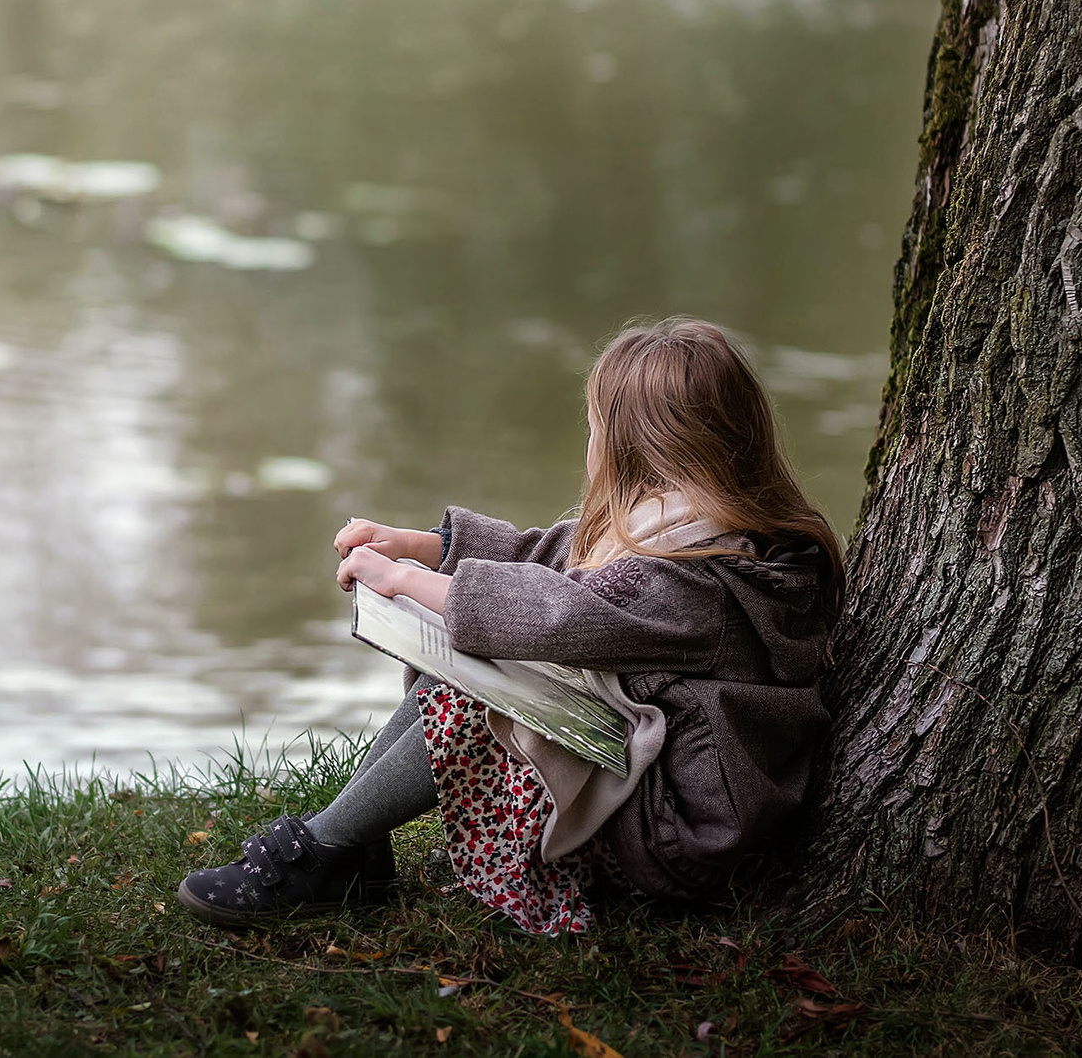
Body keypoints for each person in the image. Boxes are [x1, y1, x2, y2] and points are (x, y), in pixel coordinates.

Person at [175, 316, 846, 935]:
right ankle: (350, 840)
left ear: (632, 448)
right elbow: (555, 562)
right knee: (473, 654)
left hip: (681, 834)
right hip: (685, 800)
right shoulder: (716, 533)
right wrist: (422, 546)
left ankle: (323, 852)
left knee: (481, 681)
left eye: (593, 427)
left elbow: (556, 610)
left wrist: (406, 581)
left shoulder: (690, 577)